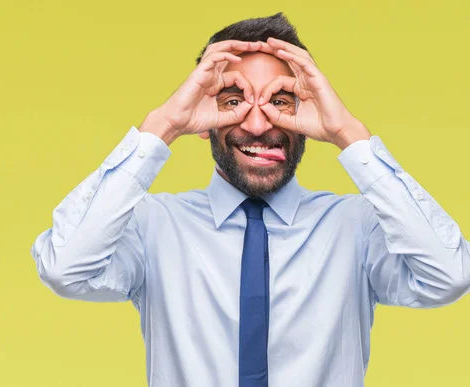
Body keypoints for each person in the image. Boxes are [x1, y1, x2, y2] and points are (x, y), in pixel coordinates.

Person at [30, 12, 470, 387]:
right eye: (234, 100)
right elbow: (64, 266)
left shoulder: (356, 226)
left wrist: (349, 134)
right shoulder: (153, 226)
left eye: (281, 100)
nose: (259, 125)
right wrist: (162, 125)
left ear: (307, 115)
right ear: (204, 117)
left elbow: (448, 275)